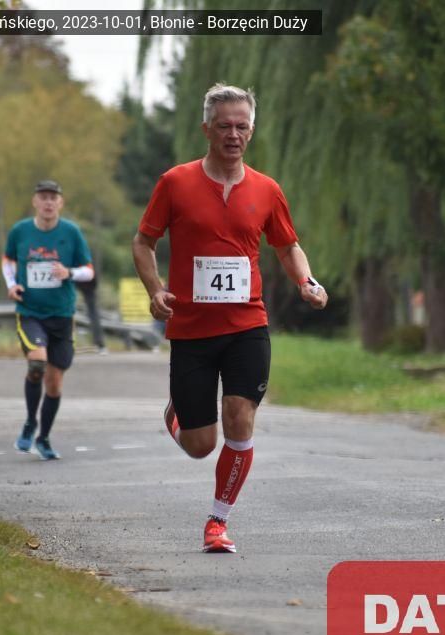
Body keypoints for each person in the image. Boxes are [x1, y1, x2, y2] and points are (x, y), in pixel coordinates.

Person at [132, 83, 328, 554]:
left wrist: (306, 282)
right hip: (192, 331)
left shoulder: (266, 190)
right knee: (201, 444)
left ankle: (218, 521)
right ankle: (178, 416)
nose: (233, 135)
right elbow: (143, 242)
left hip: (247, 326)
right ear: (207, 129)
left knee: (240, 418)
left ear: (251, 131)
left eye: (242, 126)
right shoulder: (175, 183)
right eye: (224, 126)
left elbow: (287, 246)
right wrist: (155, 291)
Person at [2, 180, 95, 460]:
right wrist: (11, 284)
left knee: (54, 383)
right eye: (43, 197)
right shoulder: (20, 231)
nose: (48, 202)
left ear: (60, 203)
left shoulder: (71, 232)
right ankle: (30, 422)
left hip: (62, 315)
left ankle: (43, 437)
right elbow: (7, 260)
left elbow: (89, 271)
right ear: (35, 202)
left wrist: (69, 273)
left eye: (53, 198)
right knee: (37, 363)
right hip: (30, 311)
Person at [74, 273, 107, 354]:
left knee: (92, 311)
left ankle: (100, 344)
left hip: (78, 276)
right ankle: (100, 345)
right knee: (93, 312)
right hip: (86, 277)